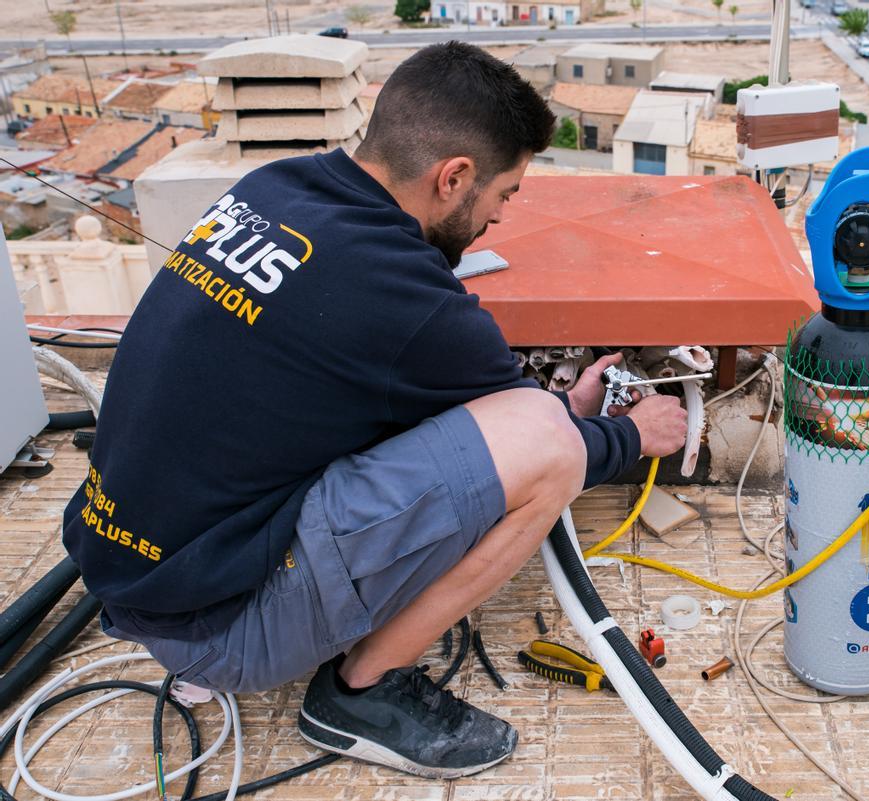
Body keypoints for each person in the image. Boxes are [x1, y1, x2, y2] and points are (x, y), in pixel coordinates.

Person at [62, 42, 687, 779]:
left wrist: (565, 409)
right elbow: (530, 430)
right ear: (453, 177)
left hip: (131, 569)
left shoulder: (275, 188)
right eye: (504, 194)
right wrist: (622, 435)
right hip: (215, 628)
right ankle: (361, 692)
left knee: (525, 425)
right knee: (552, 448)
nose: (497, 217)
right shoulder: (408, 299)